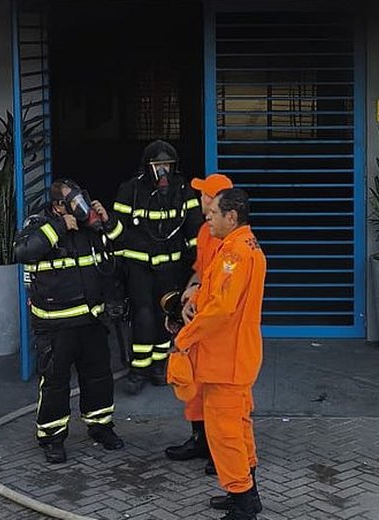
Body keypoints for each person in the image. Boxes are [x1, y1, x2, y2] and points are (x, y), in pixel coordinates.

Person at [14, 178, 125, 463]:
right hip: (55, 324)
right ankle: (52, 437)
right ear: (57, 206)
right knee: (54, 382)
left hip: (91, 319)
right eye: (73, 203)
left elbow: (121, 246)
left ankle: (100, 427)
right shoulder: (38, 223)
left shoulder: (90, 226)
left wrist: (107, 222)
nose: (80, 208)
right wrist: (61, 227)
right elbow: (23, 251)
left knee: (99, 377)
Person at [174, 188, 267, 520]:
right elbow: (220, 297)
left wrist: (185, 337)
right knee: (239, 428)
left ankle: (243, 504)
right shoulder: (242, 247)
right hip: (234, 358)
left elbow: (222, 309)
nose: (207, 217)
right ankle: (246, 493)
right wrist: (196, 298)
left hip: (225, 361)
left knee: (225, 434)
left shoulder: (235, 254)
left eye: (212, 212)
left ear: (232, 216)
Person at [111, 139, 203, 395]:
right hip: (139, 266)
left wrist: (200, 264)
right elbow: (117, 230)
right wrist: (118, 271)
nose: (163, 171)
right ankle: (138, 370)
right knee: (142, 315)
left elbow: (194, 227)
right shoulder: (131, 190)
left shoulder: (182, 190)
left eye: (167, 165)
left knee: (167, 315)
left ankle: (159, 366)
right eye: (157, 165)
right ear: (147, 166)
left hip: (170, 267)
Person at [164, 173, 233, 475]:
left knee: (221, 398)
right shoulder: (206, 232)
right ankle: (199, 440)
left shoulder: (233, 245)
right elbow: (200, 271)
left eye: (205, 194)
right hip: (198, 319)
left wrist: (197, 303)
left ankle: (223, 453)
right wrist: (188, 296)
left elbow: (223, 294)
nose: (200, 199)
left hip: (215, 328)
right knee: (195, 385)